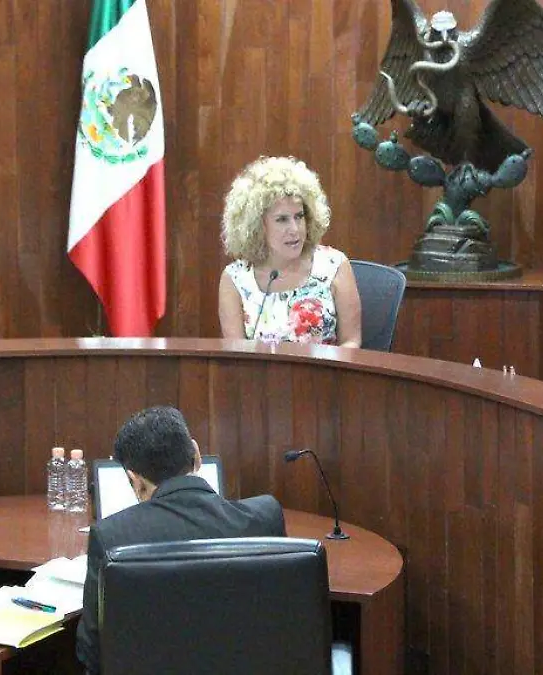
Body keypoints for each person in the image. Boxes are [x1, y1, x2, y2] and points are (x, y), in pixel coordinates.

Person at [76, 406, 285, 675]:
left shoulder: (112, 537)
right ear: (196, 454)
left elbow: (92, 651)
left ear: (134, 481)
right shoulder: (265, 516)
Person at [218, 156, 362, 347]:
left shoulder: (334, 266)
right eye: (282, 219)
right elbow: (236, 356)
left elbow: (351, 342)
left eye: (299, 216)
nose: (295, 229)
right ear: (257, 226)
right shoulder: (235, 279)